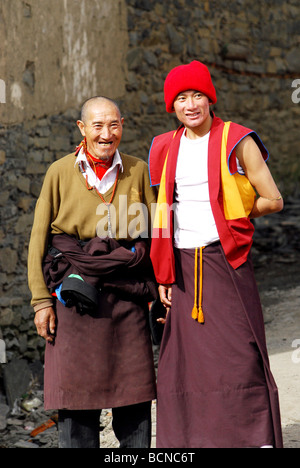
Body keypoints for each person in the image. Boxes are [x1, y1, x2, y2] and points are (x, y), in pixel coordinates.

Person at [148, 61, 284, 448]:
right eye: (180, 98)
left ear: (210, 98)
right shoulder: (163, 146)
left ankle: (254, 438)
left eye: (197, 96)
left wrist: (235, 211)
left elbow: (273, 199)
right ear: (171, 105)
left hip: (226, 261)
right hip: (183, 267)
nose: (190, 104)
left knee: (240, 353)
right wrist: (163, 273)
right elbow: (162, 211)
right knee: (185, 364)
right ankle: (195, 442)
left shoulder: (236, 139)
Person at [28, 96, 157, 448]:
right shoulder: (59, 171)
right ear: (82, 129)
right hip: (74, 296)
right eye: (97, 126)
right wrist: (41, 301)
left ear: (123, 126)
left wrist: (161, 287)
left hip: (125, 298)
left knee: (133, 400)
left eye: (113, 125)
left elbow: (154, 233)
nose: (106, 134)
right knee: (76, 404)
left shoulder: (138, 169)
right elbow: (38, 239)